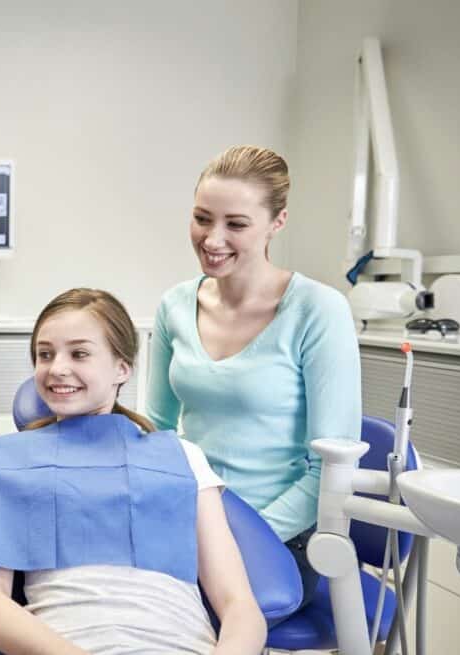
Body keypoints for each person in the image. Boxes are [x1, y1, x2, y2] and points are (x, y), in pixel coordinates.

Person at [0, 288, 266, 655]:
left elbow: (239, 605)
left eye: (79, 353)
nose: (56, 368)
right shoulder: (5, 461)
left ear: (122, 368)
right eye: (44, 354)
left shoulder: (183, 458)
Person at [146, 145, 362, 608]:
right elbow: (156, 431)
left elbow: (329, 471)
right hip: (190, 521)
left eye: (236, 224)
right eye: (202, 218)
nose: (212, 239)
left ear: (277, 222)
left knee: (172, 623)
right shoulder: (175, 306)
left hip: (278, 538)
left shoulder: (319, 311)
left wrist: (232, 541)